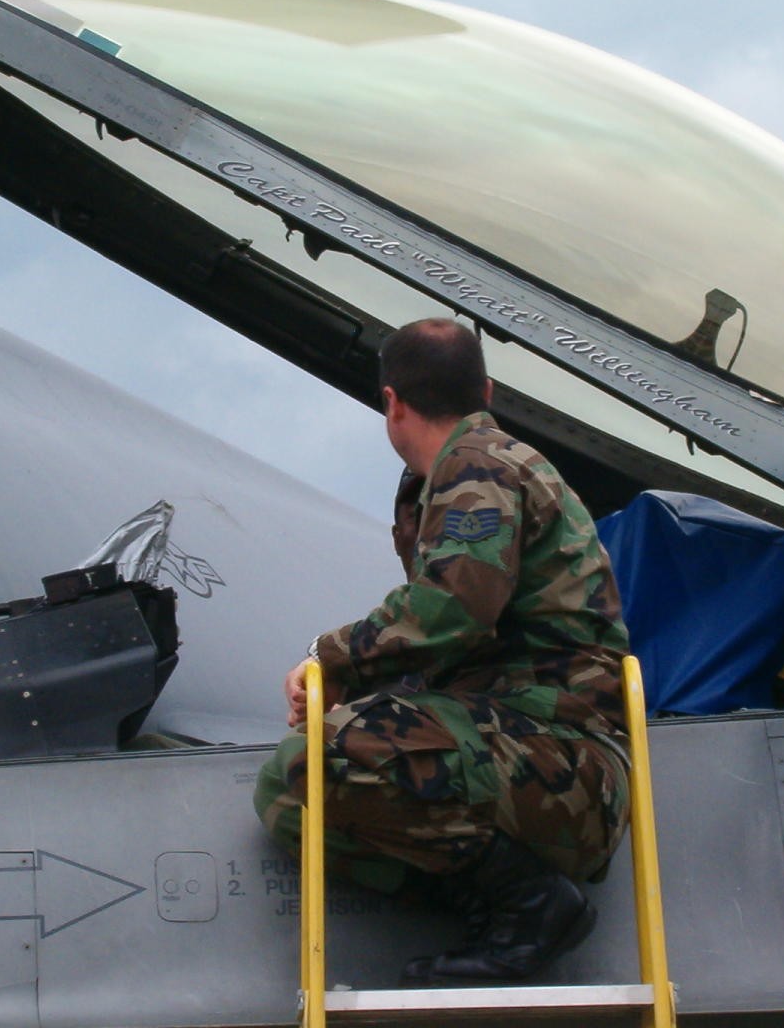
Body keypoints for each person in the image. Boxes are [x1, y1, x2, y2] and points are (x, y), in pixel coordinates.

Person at [253, 317, 632, 986]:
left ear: (392, 402)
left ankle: (533, 906)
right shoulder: (456, 475)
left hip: (563, 761)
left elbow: (454, 609)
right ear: (485, 388)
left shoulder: (479, 466)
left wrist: (330, 659)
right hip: (522, 750)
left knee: (328, 755)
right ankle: (497, 899)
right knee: (287, 795)